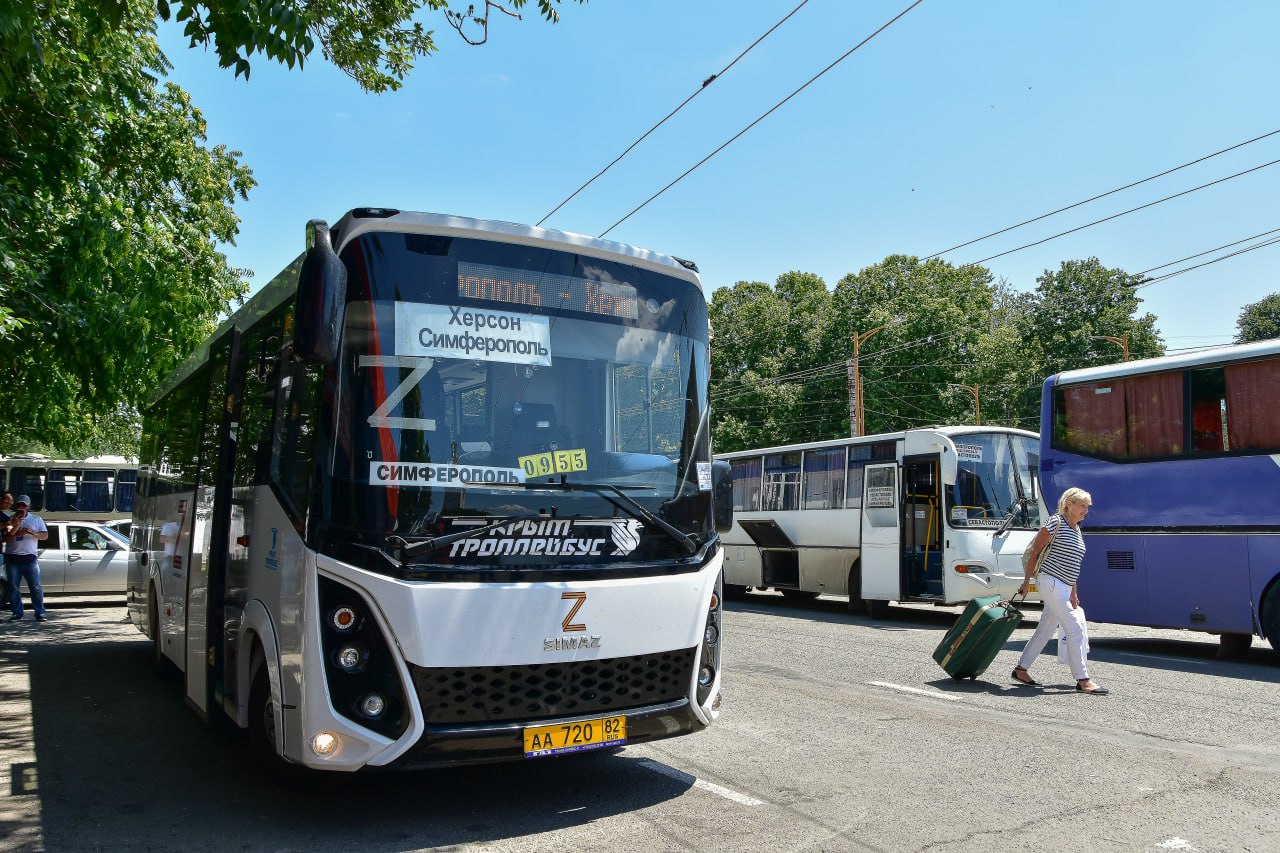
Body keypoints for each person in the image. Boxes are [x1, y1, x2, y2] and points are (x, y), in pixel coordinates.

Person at [1011, 487, 1108, 695]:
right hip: (1050, 582)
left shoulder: (1076, 528)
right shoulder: (1056, 522)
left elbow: (1073, 563)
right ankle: (1083, 680)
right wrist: (1027, 582)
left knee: (1045, 630)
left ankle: (1021, 669)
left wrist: (1074, 592)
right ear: (1069, 505)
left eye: (1087, 507)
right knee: (1075, 629)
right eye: (1082, 506)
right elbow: (1036, 550)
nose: (1086, 510)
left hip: (1064, 586)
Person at [4, 494, 48, 622]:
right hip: (13, 557)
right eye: (19, 505)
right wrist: (17, 529)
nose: (21, 507)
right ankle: (17, 613)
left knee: (35, 586)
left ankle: (39, 612)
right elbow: (6, 538)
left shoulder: (36, 519)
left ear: (29, 506)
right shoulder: (10, 519)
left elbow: (45, 536)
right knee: (13, 587)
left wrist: (33, 533)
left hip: (30, 558)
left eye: (24, 505)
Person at [0, 492, 12, 613]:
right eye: (7, 502)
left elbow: (7, 534)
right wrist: (8, 524)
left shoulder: (5, 516)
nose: (9, 505)